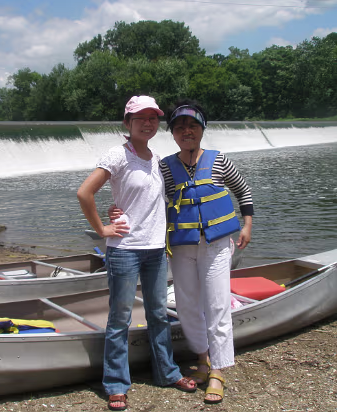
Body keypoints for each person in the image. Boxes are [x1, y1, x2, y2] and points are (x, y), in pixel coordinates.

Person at [77, 95, 196, 411]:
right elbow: (84, 192)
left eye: (153, 118)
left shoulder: (157, 158)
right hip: (125, 250)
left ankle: (167, 373)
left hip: (156, 249)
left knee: (158, 314)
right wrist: (103, 228)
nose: (148, 123)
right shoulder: (117, 155)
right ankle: (116, 384)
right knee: (120, 318)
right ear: (127, 123)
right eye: (141, 117)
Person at [160, 99, 253, 404]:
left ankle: (219, 371)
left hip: (216, 244)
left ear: (201, 129)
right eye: (179, 127)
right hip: (182, 245)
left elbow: (243, 191)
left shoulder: (219, 161)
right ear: (173, 134)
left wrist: (247, 225)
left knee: (216, 305)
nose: (186, 131)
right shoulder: (166, 167)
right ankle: (203, 359)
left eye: (192, 125)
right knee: (187, 305)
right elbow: (153, 202)